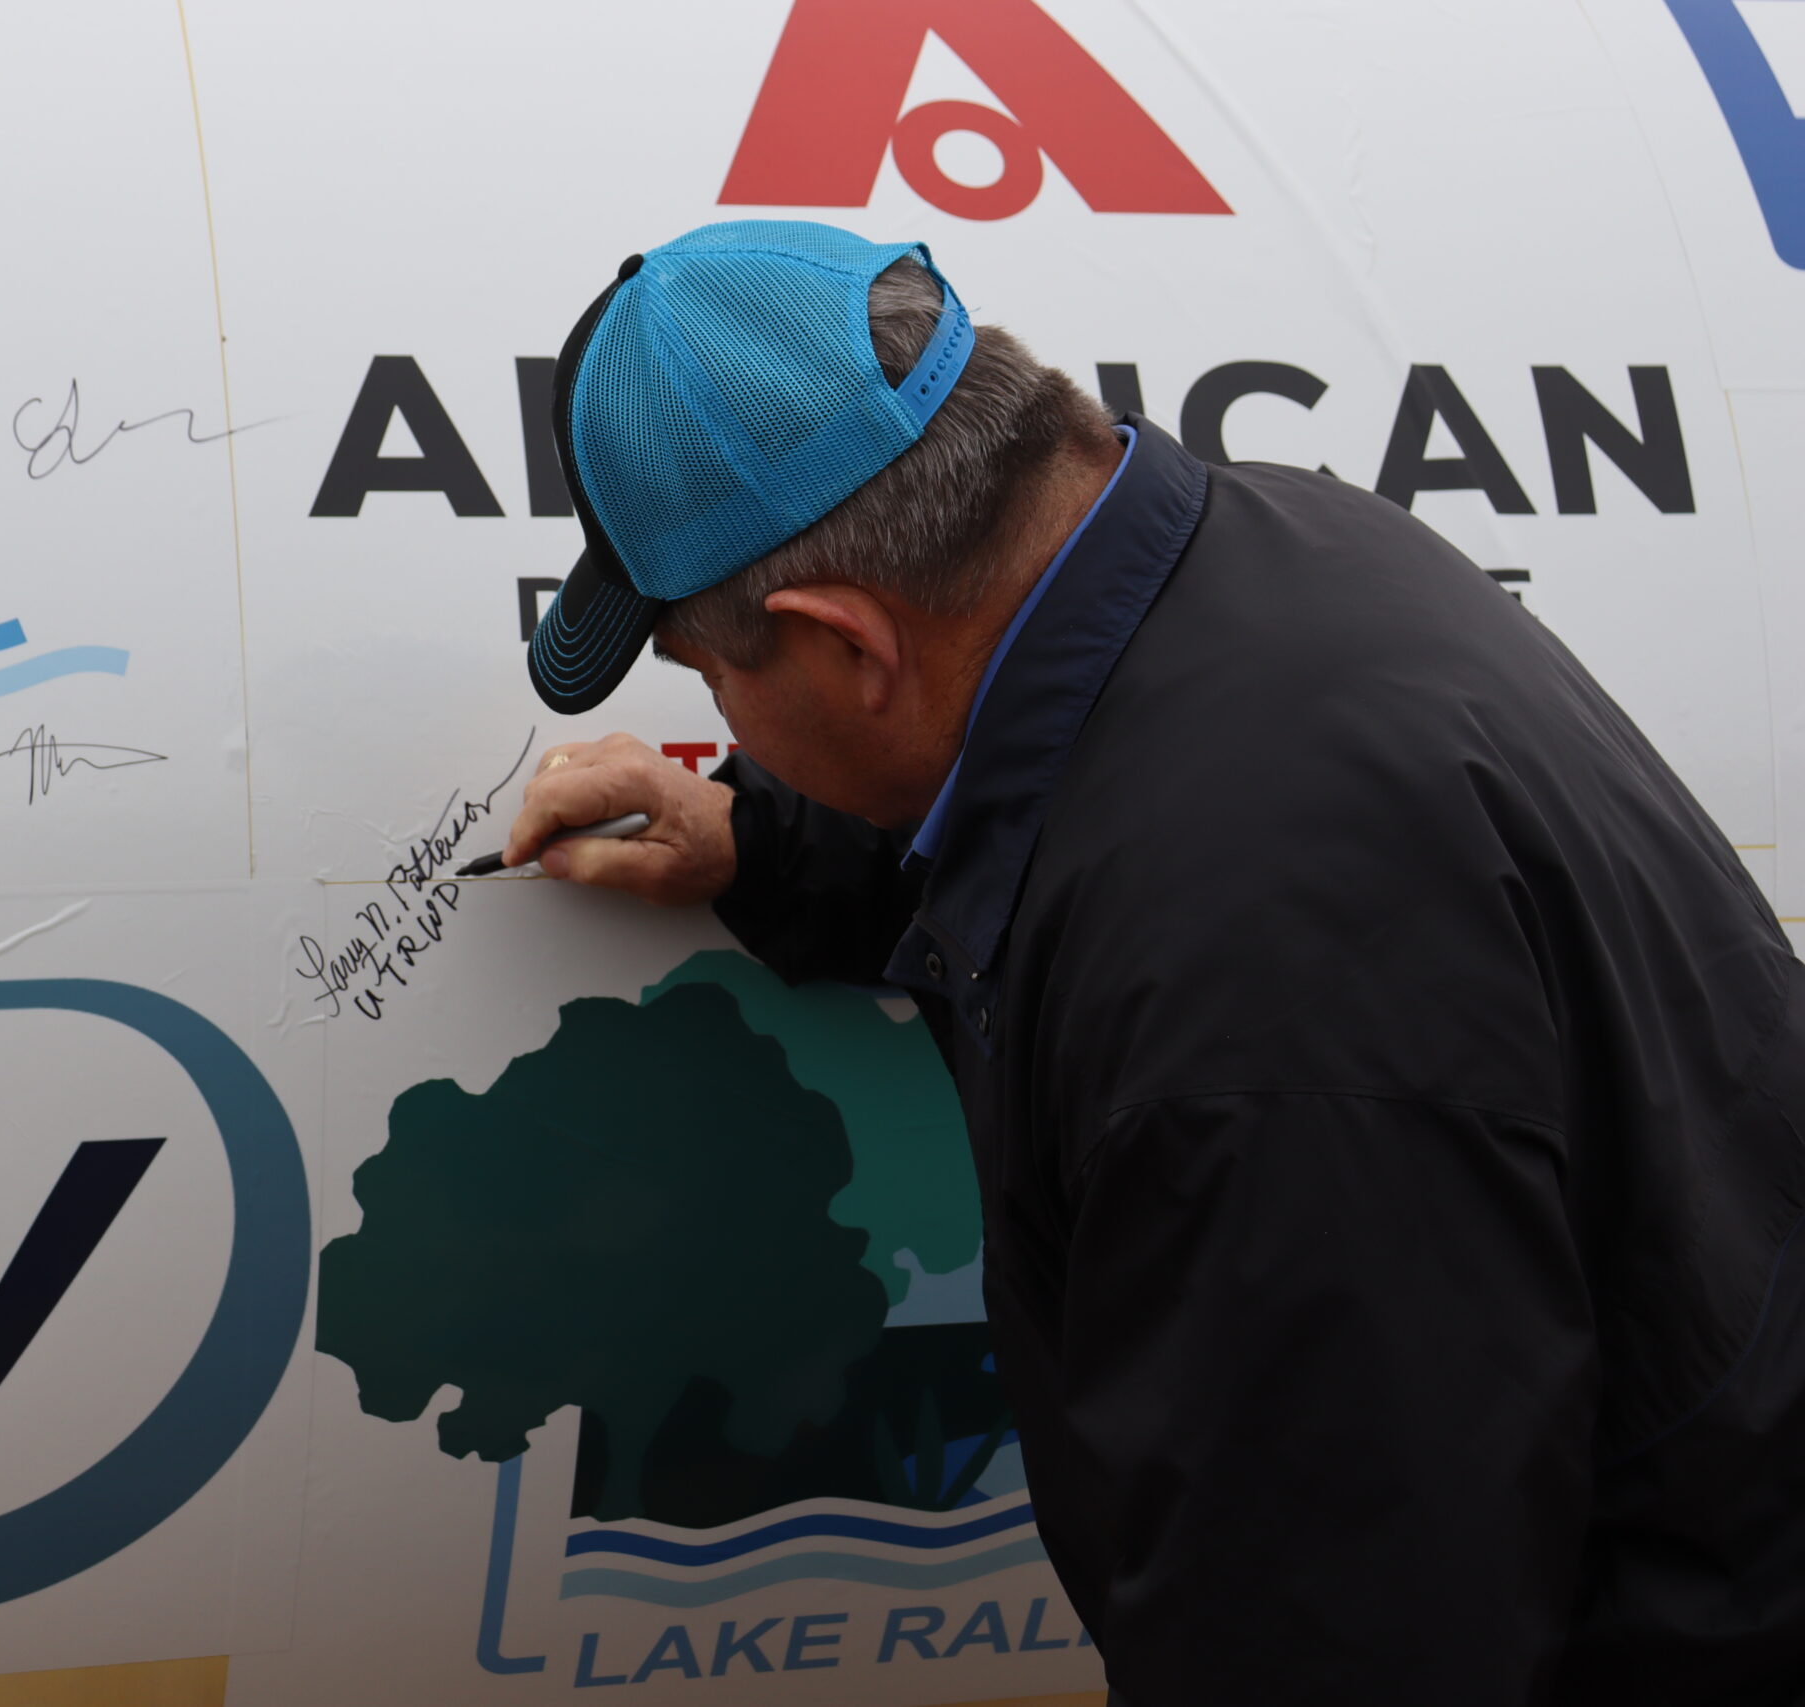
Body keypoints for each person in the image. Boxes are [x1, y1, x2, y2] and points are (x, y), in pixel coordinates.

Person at [501, 220, 1805, 1705]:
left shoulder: (1240, 1008)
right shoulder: (1268, 546)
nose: (724, 713)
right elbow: (1059, 775)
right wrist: (768, 843)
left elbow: (1337, 1644)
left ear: (845, 644)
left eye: (716, 674)